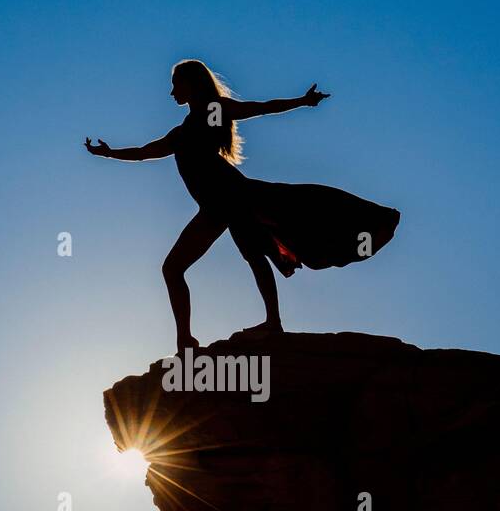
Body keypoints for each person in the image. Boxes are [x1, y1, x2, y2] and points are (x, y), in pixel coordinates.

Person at [86, 58, 400, 352]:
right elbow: (144, 152)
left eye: (175, 84)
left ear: (192, 84)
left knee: (254, 252)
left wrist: (301, 102)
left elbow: (260, 108)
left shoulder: (214, 111)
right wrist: (109, 153)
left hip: (234, 196)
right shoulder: (179, 134)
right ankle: (188, 338)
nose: (171, 92)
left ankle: (266, 324)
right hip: (216, 207)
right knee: (178, 267)